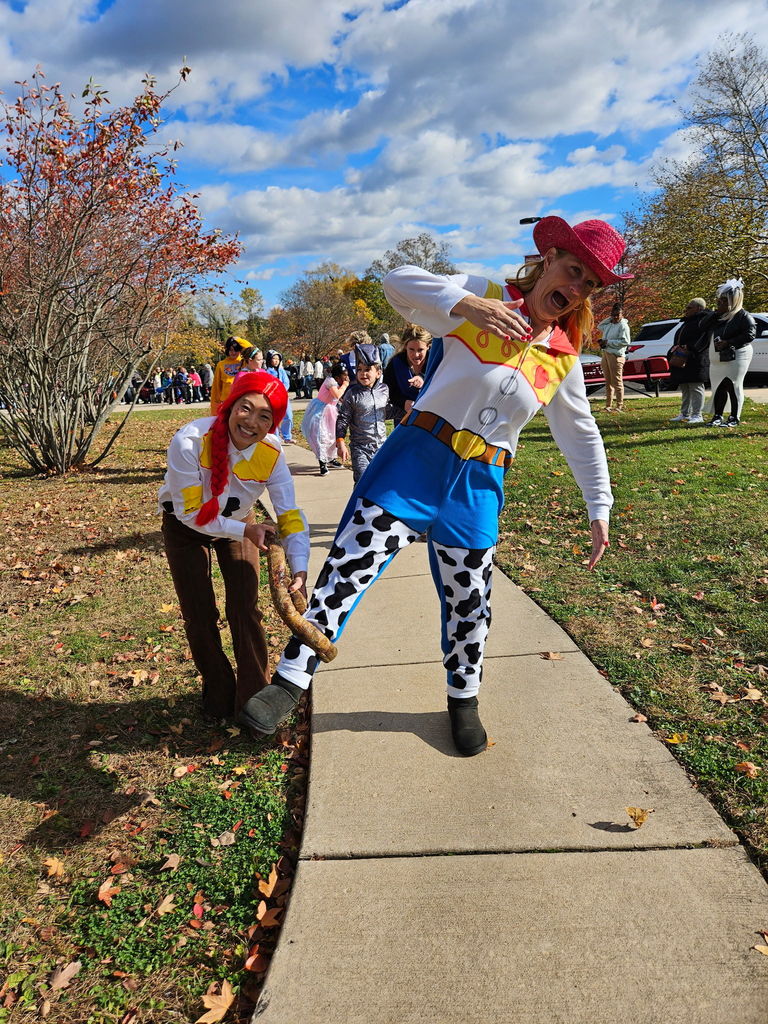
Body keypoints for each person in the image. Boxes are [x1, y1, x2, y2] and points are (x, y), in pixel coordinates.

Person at [237, 217, 622, 757]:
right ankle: (290, 681)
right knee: (350, 568)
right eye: (573, 270)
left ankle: (463, 700)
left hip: (479, 483)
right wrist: (465, 305)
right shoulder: (486, 294)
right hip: (416, 460)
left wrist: (598, 504)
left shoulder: (563, 353)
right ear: (549, 258)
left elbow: (580, 429)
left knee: (471, 601)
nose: (577, 288)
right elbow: (398, 282)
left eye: (590, 284)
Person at [158, 371, 309, 719]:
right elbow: (191, 514)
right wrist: (244, 533)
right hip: (185, 526)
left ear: (273, 424)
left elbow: (290, 515)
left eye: (265, 416)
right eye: (246, 408)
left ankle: (255, 700)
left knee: (245, 608)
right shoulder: (190, 442)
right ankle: (219, 691)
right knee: (199, 615)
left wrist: (299, 567)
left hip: (240, 525)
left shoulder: (271, 454)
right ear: (230, 406)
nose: (252, 421)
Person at [334, 344, 393, 483]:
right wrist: (340, 442)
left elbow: (386, 411)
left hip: (381, 447)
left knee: (379, 483)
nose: (362, 373)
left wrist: (409, 410)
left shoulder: (384, 390)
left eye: (367, 370)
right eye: (359, 370)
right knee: (362, 482)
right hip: (360, 449)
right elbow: (343, 419)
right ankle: (357, 505)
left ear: (378, 372)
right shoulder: (352, 394)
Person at [703, 278, 756, 427]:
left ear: (733, 301)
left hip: (737, 355)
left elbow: (750, 335)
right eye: (719, 300)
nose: (720, 303)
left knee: (733, 384)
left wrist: (729, 342)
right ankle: (717, 416)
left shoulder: (743, 316)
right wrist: (715, 313)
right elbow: (702, 325)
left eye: (724, 301)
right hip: (717, 356)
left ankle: (734, 417)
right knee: (718, 386)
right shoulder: (719, 316)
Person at [300, 361, 349, 475]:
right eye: (344, 376)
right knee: (322, 436)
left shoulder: (336, 382)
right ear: (337, 377)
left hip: (331, 412)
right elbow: (337, 395)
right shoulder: (330, 381)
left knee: (332, 435)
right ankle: (322, 462)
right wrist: (345, 385)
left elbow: (339, 398)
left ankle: (331, 458)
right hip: (321, 412)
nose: (346, 378)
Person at [667, 298, 710, 424]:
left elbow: (703, 340)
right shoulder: (687, 322)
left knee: (696, 387)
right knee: (685, 386)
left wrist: (690, 348)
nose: (686, 310)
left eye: (689, 307)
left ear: (698, 308)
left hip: (696, 359)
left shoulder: (703, 321)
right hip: (683, 359)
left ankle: (697, 414)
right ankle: (685, 413)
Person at [383, 323, 432, 425]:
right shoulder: (395, 364)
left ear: (428, 346)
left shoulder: (435, 362)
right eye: (411, 349)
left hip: (431, 418)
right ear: (405, 346)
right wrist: (403, 402)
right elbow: (387, 392)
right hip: (403, 419)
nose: (416, 355)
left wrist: (423, 377)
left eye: (420, 350)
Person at [596, 302, 631, 412]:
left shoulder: (623, 326)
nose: (615, 317)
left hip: (616, 355)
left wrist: (609, 342)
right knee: (608, 381)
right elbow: (599, 326)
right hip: (606, 354)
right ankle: (608, 405)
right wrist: (609, 319)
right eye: (613, 314)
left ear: (622, 314)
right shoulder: (609, 324)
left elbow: (626, 341)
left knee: (617, 381)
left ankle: (619, 405)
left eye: (618, 314)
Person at [210, 337, 247, 414]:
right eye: (231, 350)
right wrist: (214, 410)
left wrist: (239, 340)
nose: (233, 353)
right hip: (226, 403)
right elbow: (216, 388)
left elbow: (252, 350)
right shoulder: (221, 365)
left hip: (241, 402)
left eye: (236, 350)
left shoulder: (245, 362)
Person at [265, 351, 294, 443]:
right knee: (274, 418)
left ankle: (287, 436)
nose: (276, 361)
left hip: (283, 397)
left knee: (288, 416)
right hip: (272, 398)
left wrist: (282, 390)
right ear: (269, 360)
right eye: (274, 358)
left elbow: (286, 383)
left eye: (278, 359)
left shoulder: (282, 371)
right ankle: (276, 437)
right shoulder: (266, 372)